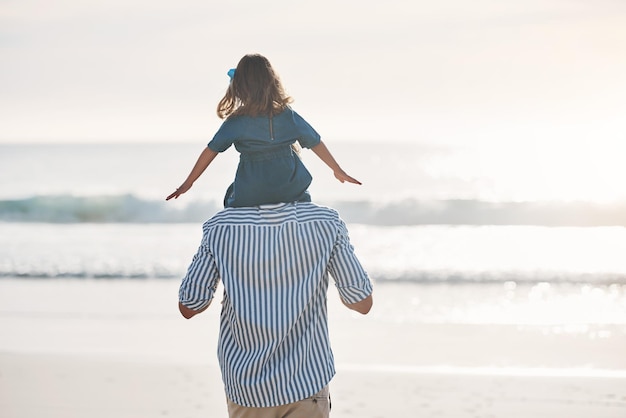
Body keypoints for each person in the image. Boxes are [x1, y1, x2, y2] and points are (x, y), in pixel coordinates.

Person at [178, 201, 373, 418]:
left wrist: (233, 272)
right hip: (305, 382)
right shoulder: (325, 222)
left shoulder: (220, 226)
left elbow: (190, 305)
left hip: (246, 388)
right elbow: (361, 302)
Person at [166, 53, 361, 207]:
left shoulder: (236, 121)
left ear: (240, 86)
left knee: (230, 195)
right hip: (291, 190)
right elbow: (315, 142)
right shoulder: (287, 115)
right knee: (303, 196)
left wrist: (188, 183)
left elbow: (211, 150)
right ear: (272, 82)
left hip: (252, 193)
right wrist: (338, 170)